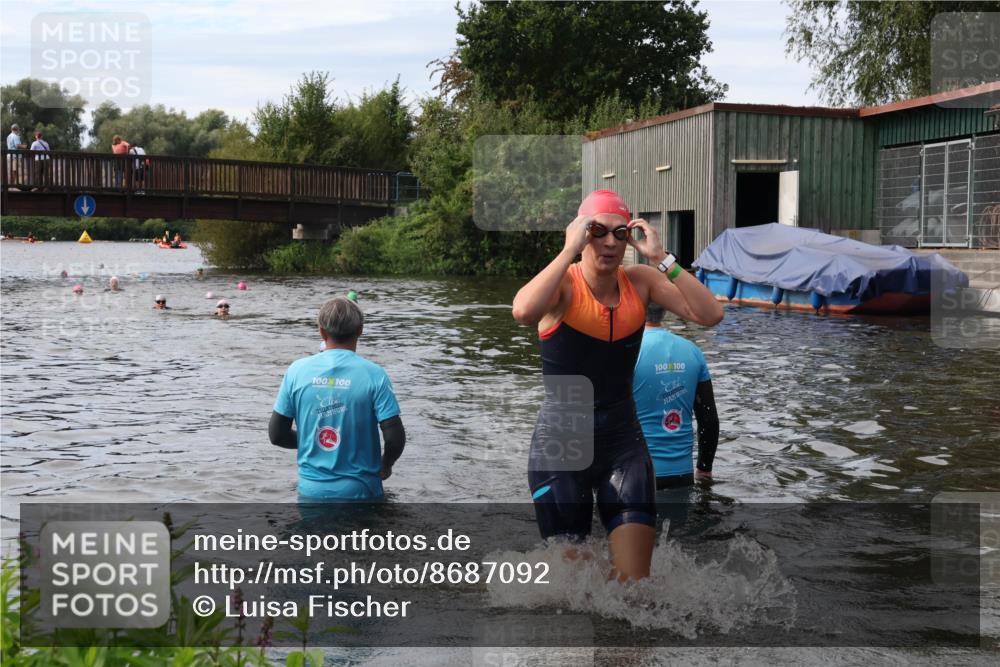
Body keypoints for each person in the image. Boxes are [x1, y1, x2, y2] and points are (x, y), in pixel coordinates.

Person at [511, 189, 723, 581]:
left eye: (620, 233)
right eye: (597, 231)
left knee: (634, 586)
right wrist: (566, 252)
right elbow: (523, 311)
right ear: (580, 234)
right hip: (562, 443)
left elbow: (711, 315)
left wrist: (663, 260)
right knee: (573, 585)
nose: (609, 242)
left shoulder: (640, 282)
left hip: (622, 442)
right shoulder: (564, 286)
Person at [269, 297, 405, 500]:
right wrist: (387, 464)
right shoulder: (374, 375)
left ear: (322, 332)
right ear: (360, 330)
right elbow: (394, 439)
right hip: (361, 493)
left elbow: (277, 435)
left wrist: (315, 440)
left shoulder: (296, 371)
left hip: (311, 492)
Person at [632, 303, 719, 490]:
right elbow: (708, 419)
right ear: (665, 309)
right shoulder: (692, 350)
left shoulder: (627, 351)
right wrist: (704, 469)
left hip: (635, 476)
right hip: (682, 475)